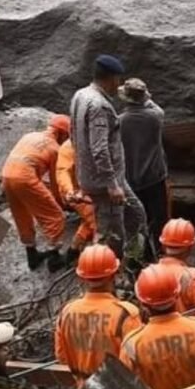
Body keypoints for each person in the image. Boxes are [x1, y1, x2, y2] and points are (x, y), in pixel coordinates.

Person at [69, 55, 146, 258]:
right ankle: (108, 273)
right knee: (111, 234)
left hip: (105, 178)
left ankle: (133, 261)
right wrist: (111, 184)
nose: (118, 85)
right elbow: (100, 148)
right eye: (118, 80)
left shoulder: (80, 95)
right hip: (105, 184)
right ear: (111, 79)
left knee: (137, 215)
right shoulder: (99, 106)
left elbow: (73, 133)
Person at [55, 245, 142, 388]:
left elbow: (61, 356)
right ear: (114, 274)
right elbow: (135, 363)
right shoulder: (125, 314)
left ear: (81, 278)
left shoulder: (66, 312)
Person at [1, 114, 72, 270]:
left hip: (6, 175)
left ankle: (31, 254)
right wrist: (62, 204)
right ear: (61, 133)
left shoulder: (29, 135)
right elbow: (56, 182)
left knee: (22, 214)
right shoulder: (55, 149)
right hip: (24, 178)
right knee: (55, 216)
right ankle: (54, 258)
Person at [118, 78, 169, 254]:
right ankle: (163, 250)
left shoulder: (119, 122)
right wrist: (146, 96)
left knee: (139, 218)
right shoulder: (155, 116)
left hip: (132, 179)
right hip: (155, 177)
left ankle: (143, 254)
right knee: (159, 217)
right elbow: (153, 105)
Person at [55, 136, 98, 252]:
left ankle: (71, 253)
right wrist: (70, 192)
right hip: (76, 193)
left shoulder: (94, 143)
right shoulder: (69, 148)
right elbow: (62, 172)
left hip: (90, 190)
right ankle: (98, 258)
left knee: (88, 222)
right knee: (96, 222)